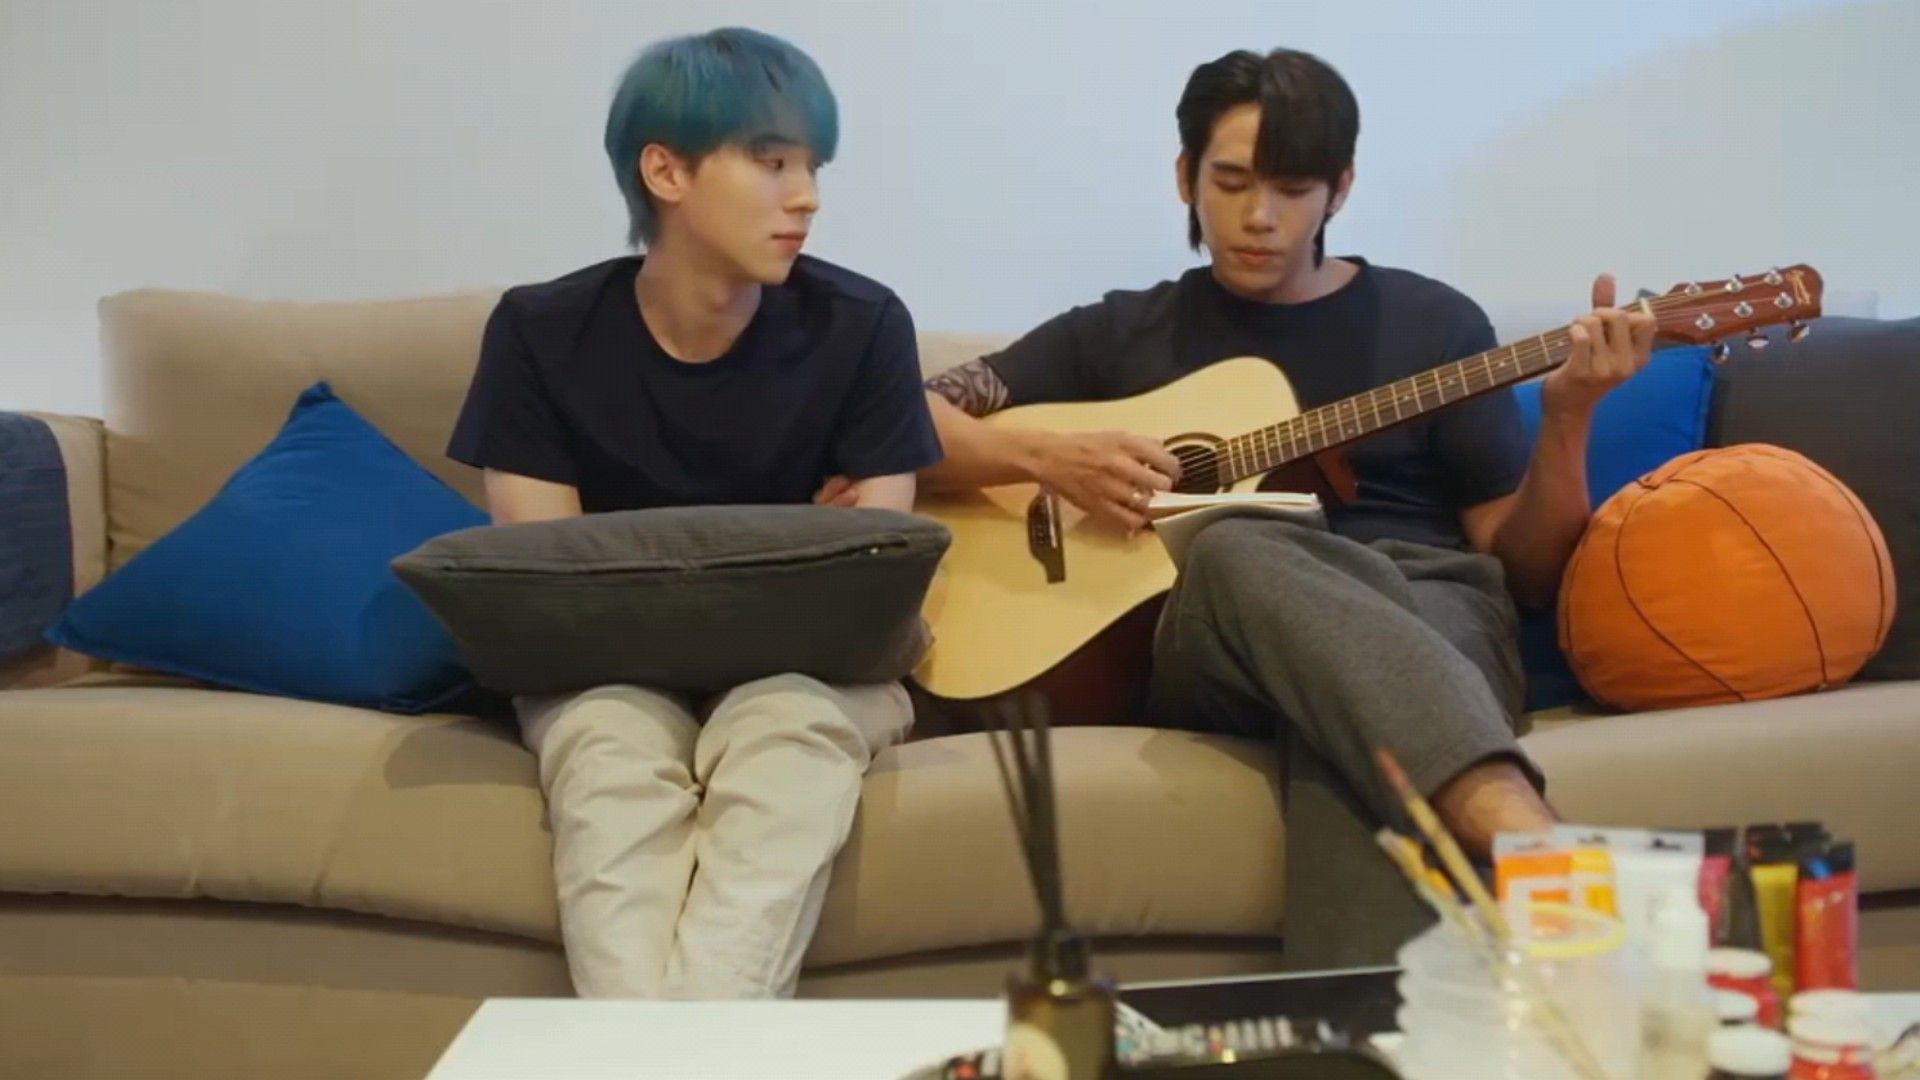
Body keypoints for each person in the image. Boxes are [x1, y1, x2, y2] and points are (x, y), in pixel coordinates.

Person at [917, 47, 1656, 965]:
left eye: (1293, 188)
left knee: (1344, 725)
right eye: (1230, 183)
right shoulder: (1121, 330)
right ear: (1186, 177)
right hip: (1220, 633)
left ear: (1339, 189)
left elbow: (1527, 571)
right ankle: (1530, 837)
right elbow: (904, 417)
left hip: (1426, 601)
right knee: (1237, 543)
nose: (1259, 217)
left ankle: (1367, 1029)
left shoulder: (1434, 325)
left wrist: (1571, 416)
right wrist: (1041, 454)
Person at [446, 27, 941, 998]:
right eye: (772, 162)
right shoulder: (541, 333)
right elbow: (546, 587)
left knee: (785, 743)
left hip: (815, 676)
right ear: (665, 171)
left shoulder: (865, 326)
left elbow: (877, 581)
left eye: (812, 166)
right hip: (602, 678)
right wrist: (790, 541)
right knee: (608, 758)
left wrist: (643, 559)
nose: (807, 196)